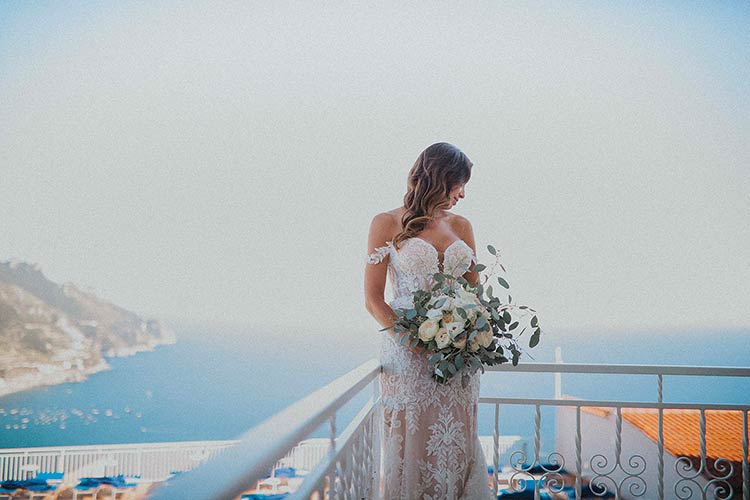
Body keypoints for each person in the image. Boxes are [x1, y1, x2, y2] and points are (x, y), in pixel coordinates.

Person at [364, 142, 495, 499]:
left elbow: (475, 296)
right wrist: (412, 342)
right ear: (440, 177)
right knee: (413, 443)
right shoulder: (386, 223)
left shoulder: (463, 226)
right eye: (459, 184)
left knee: (457, 441)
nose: (463, 195)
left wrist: (472, 332)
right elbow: (373, 299)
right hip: (407, 360)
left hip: (458, 362)